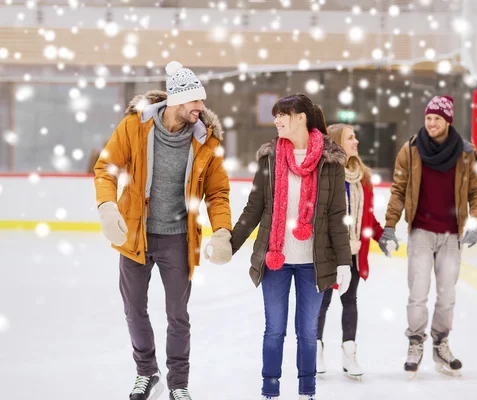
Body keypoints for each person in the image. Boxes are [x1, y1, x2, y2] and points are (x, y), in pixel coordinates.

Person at [93, 60, 233, 400]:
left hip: (178, 240)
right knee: (134, 309)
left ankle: (178, 383)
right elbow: (106, 168)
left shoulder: (205, 141)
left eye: (202, 101)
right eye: (194, 101)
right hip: (136, 235)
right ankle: (146, 372)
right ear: (175, 101)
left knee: (177, 315)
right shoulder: (135, 127)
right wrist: (108, 207)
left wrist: (222, 230)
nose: (201, 107)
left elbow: (218, 192)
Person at [226, 94, 352, 400]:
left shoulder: (330, 160)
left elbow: (337, 215)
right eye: (276, 115)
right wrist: (231, 243)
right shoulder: (269, 157)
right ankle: (270, 389)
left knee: (308, 332)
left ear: (301, 118)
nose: (277, 120)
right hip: (275, 259)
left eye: (283, 114)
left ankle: (306, 390)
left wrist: (344, 261)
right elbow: (254, 208)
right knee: (275, 329)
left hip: (314, 260)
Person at [382, 95, 477, 378]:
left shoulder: (466, 152)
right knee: (417, 295)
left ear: (447, 121)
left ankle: (441, 344)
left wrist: (475, 222)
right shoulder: (411, 150)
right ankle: (415, 344)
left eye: (437, 119)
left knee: (447, 296)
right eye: (428, 118)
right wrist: (390, 225)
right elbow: (398, 190)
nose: (431, 123)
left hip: (451, 235)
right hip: (421, 233)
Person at [315, 124, 398, 377]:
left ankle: (349, 353)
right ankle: (315, 351)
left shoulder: (363, 178)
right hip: (329, 252)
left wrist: (383, 237)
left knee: (350, 301)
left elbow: (367, 219)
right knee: (323, 301)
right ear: (338, 141)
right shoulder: (326, 174)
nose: (357, 141)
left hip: (354, 252)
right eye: (351, 137)